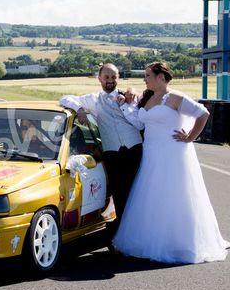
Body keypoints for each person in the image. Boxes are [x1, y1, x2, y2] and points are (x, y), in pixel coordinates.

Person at [113, 62, 229, 264]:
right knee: (152, 198)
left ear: (160, 77)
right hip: (151, 155)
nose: (144, 79)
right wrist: (125, 104)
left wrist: (191, 137)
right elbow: (139, 122)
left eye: (148, 75)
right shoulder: (147, 98)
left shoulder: (175, 98)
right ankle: (151, 239)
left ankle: (179, 242)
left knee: (175, 197)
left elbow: (203, 114)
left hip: (173, 154)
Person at [59, 63, 142, 238]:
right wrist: (80, 109)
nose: (110, 81)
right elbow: (64, 98)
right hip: (112, 153)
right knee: (119, 193)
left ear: (118, 78)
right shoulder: (94, 100)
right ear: (99, 79)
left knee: (137, 190)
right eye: (107, 77)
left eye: (114, 77)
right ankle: (125, 234)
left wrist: (127, 101)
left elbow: (139, 122)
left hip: (134, 150)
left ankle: (138, 232)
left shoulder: (128, 96)